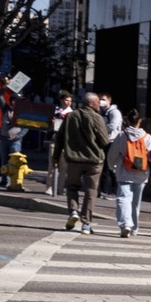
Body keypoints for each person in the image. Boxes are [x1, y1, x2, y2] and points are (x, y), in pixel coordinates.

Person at [59, 93, 110, 234]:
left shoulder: (70, 116)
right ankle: (86, 224)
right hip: (94, 161)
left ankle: (73, 212)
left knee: (71, 187)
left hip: (74, 159)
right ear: (90, 104)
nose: (99, 105)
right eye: (97, 103)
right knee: (90, 192)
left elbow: (60, 138)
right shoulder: (97, 118)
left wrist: (56, 157)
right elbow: (105, 141)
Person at [105, 109, 151, 237]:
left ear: (127, 121)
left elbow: (112, 155)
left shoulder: (122, 136)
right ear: (140, 121)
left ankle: (125, 224)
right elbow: (150, 156)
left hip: (124, 172)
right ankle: (134, 228)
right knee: (135, 203)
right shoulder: (148, 137)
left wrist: (113, 167)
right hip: (141, 174)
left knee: (123, 199)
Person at [98, 92, 124, 199]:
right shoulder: (101, 112)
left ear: (109, 101)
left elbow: (113, 126)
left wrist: (100, 130)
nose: (101, 101)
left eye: (103, 99)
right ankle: (103, 190)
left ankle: (114, 191)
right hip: (104, 142)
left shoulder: (114, 112)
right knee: (104, 167)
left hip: (113, 142)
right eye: (100, 99)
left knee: (111, 167)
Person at [48, 92, 73, 197]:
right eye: (66, 100)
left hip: (66, 143)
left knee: (64, 168)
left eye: (70, 101)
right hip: (55, 140)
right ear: (61, 100)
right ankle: (49, 188)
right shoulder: (55, 111)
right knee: (52, 165)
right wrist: (51, 122)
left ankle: (60, 189)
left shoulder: (72, 113)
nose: (68, 102)